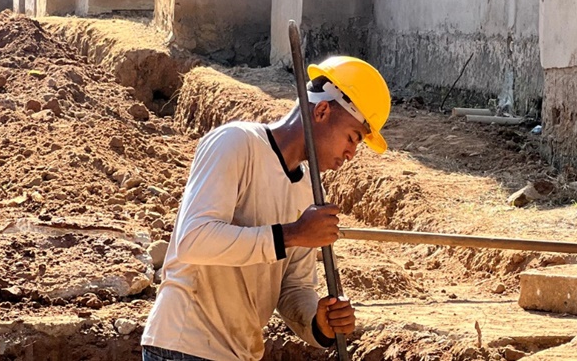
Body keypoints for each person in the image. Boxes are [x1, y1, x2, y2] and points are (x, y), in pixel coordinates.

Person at [142, 56, 392, 360]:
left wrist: (319, 323)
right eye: (352, 138)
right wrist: (293, 234)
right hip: (183, 346)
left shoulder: (310, 194)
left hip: (240, 353)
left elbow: (294, 287)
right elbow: (193, 240)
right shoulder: (236, 144)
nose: (351, 153)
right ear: (323, 110)